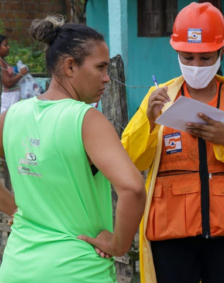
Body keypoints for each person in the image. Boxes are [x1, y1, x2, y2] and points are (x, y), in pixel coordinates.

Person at [121, 3, 224, 283]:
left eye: (205, 58)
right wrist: (150, 121)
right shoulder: (157, 98)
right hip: (171, 232)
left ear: (220, 53)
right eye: (188, 57)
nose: (196, 66)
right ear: (177, 54)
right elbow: (130, 161)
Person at [0, 16, 146, 283]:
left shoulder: (11, 116)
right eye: (100, 68)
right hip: (77, 269)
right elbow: (133, 188)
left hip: (17, 268)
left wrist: (15, 210)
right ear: (69, 66)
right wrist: (117, 246)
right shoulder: (86, 119)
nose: (106, 79)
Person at [0, 35, 28, 113]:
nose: (8, 47)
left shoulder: (3, 60)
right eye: (5, 45)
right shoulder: (0, 62)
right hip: (9, 98)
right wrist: (21, 74)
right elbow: (8, 82)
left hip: (12, 97)